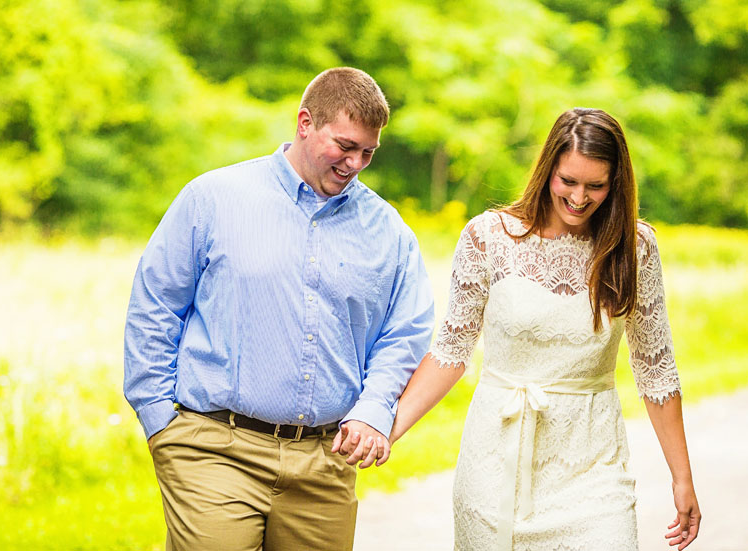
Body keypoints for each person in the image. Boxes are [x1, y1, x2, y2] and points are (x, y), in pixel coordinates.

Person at [123, 67, 434, 551]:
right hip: (213, 450)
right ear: (305, 122)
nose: (354, 163)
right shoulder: (214, 199)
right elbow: (156, 305)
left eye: (367, 153)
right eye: (345, 146)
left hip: (324, 464)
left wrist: (375, 408)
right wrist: (160, 418)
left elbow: (404, 333)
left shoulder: (387, 230)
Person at [389, 108, 701, 551]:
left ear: (616, 183)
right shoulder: (488, 237)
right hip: (496, 462)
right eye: (568, 181)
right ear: (547, 170)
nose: (579, 197)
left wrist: (682, 478)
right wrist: (387, 428)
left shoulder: (635, 248)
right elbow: (450, 353)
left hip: (594, 468)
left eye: (596, 185)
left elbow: (657, 371)